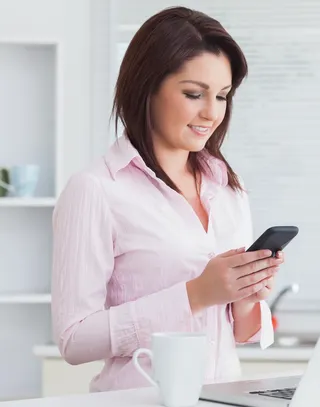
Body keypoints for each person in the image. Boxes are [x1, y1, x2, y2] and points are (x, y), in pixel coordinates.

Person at [51, 6, 283, 392]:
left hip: (225, 399)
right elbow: (73, 340)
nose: (212, 113)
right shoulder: (95, 190)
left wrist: (247, 292)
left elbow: (238, 332)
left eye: (222, 96)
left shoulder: (229, 190)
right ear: (147, 87)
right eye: (194, 94)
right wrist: (195, 294)